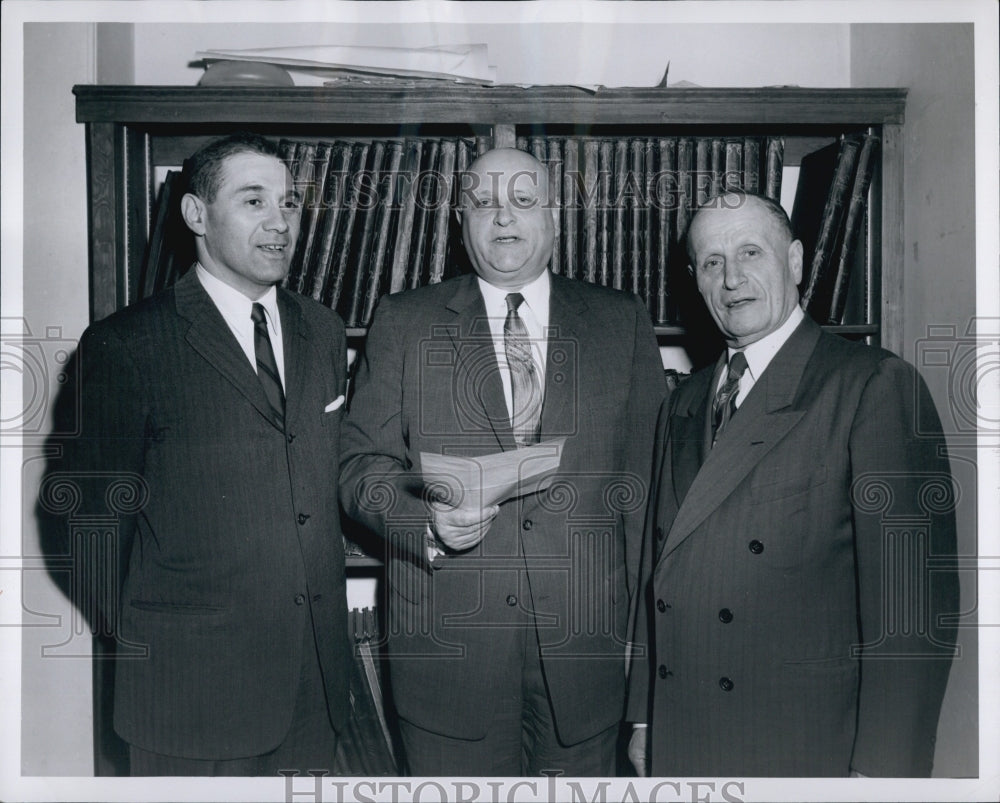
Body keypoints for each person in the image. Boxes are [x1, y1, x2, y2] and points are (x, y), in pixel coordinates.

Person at [339, 148, 665, 776]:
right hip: (450, 659)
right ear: (460, 220)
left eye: (522, 200)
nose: (503, 219)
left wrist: (643, 653)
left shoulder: (619, 322)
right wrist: (424, 524)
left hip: (588, 659)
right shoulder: (403, 320)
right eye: (484, 203)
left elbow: (650, 499)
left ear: (555, 216)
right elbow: (358, 467)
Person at [626, 190, 959, 777]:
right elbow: (659, 572)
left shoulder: (871, 386)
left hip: (803, 743)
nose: (732, 279)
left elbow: (912, 614)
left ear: (797, 261)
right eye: (711, 262)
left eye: (751, 252)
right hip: (683, 732)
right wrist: (645, 718)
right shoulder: (682, 403)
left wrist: (884, 775)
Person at [49, 133, 352, 775]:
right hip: (187, 692)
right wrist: (151, 633)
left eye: (290, 203)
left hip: (311, 683)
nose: (280, 222)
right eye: (253, 201)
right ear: (196, 216)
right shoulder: (124, 344)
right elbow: (84, 521)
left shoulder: (322, 329)